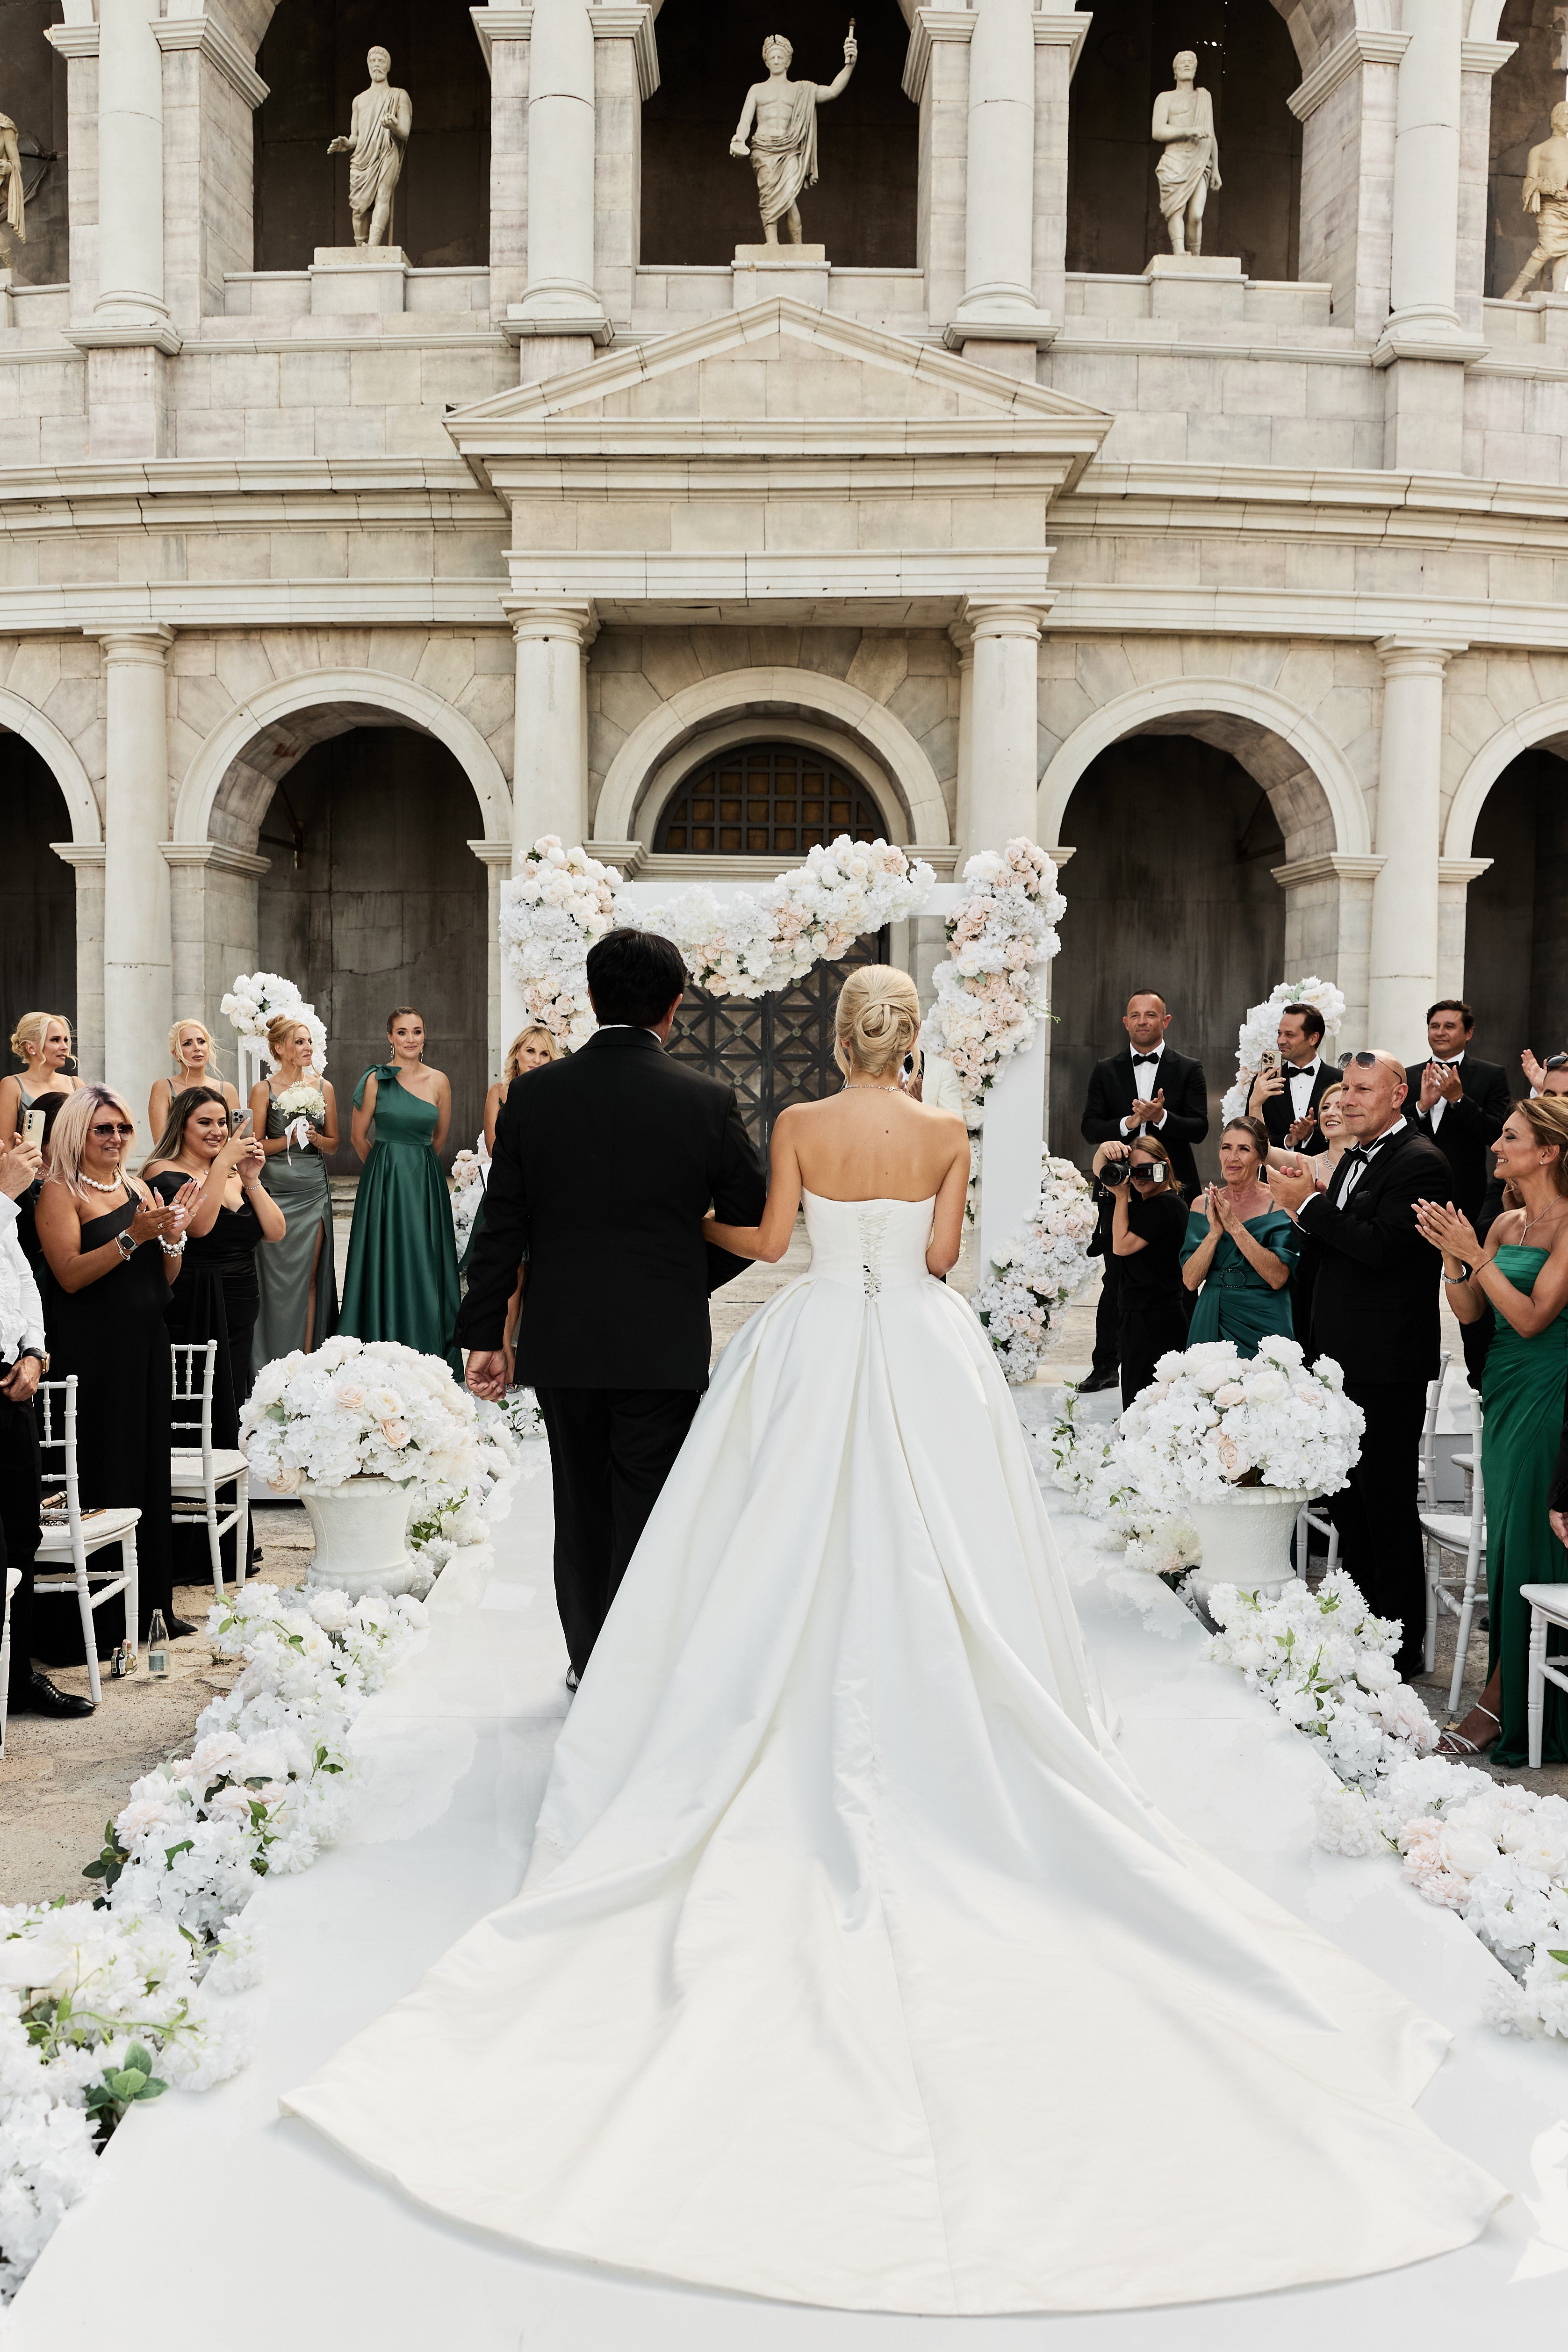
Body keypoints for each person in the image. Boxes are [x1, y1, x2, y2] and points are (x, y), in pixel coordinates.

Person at [285, 971, 1504, 2318]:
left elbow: (767, 1240)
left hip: (809, 1344)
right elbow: (935, 1264)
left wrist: (683, 1218)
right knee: (947, 1537)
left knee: (764, 1531)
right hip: (917, 1347)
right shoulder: (941, 1134)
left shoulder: (801, 1117)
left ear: (833, 1038)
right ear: (912, 1038)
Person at [459, 928, 766, 1684]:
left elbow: (501, 1223)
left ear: (593, 999)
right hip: (660, 1343)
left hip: (563, 1339)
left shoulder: (533, 1096)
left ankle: (587, 1665)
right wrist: (678, 1275)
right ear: (674, 1006)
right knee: (650, 1507)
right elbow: (753, 1215)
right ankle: (638, 1669)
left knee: (580, 1505)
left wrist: (484, 1335)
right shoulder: (705, 1099)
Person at [1266, 1052, 1448, 1679]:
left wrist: (1309, 1206)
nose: (1347, 1098)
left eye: (1363, 1088)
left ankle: (1400, 1643)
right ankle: (1364, 1618)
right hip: (1337, 1359)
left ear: (1399, 1093)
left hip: (1386, 1361)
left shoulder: (1420, 1161)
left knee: (1385, 1501)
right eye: (1343, 1086)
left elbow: (1383, 1250)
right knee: (1346, 1500)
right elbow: (1332, 1250)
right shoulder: (1349, 1157)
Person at [1416, 1099, 1568, 1764]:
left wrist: (1473, 1254)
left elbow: (1534, 1316)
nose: (1495, 1146)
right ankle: (1511, 1688)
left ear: (1548, 1151)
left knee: (1534, 1539)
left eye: (1510, 1137)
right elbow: (1472, 1309)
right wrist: (1454, 1259)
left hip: (1548, 1391)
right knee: (1507, 1540)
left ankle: (1500, 1703)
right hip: (1502, 1391)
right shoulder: (1506, 1222)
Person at [33, 1088, 193, 1657]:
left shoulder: (136, 1186)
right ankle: (94, 1625)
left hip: (147, 1345)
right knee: (108, 1468)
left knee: (149, 1470)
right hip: (95, 1353)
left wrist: (172, 1234)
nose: (116, 1138)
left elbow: (165, 1278)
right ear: (78, 1132)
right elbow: (71, 1276)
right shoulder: (59, 1192)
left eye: (123, 1128)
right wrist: (135, 1236)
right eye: (103, 1129)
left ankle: (150, 1606)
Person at [146, 1087, 284, 1577]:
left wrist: (249, 1179)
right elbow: (199, 1230)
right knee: (200, 1416)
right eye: (205, 1123)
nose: (218, 1131)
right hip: (196, 1306)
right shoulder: (164, 1176)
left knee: (233, 1414)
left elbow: (274, 1230)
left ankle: (230, 1538)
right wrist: (222, 1164)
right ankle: (191, 1545)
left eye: (223, 1123)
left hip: (241, 1308)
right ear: (181, 1125)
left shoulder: (229, 1175)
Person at [0, 1127, 93, 1720]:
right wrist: (5, 1197)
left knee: (22, 1536)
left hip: (14, 1384)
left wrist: (35, 1352)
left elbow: (20, 1280)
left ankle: (19, 1677)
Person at [1079, 991, 1208, 1392]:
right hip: (1122, 1187)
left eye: (1151, 1015)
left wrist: (1162, 1117)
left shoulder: (1188, 1068)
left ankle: (1182, 1361)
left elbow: (1200, 1128)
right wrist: (1127, 1123)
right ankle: (1106, 1365)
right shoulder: (1106, 1069)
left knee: (1181, 1275)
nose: (1143, 1021)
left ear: (1165, 1021)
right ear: (1125, 1022)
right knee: (1116, 1275)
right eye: (1135, 1015)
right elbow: (1090, 1127)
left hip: (1172, 1190)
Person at [340, 1006, 461, 1378]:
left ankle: (428, 1351)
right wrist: (384, 1167)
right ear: (389, 1037)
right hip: (385, 1182)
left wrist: (414, 1165)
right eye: (403, 1032)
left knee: (425, 1259)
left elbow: (439, 1138)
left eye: (418, 1031)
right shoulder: (376, 1080)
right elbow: (358, 1138)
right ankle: (380, 1346)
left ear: (425, 1036)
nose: (411, 1039)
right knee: (387, 1257)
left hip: (424, 1180)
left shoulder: (439, 1080)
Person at [1405, 1000, 1510, 1388]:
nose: (1440, 1032)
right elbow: (1395, 1131)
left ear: (1468, 1032)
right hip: (1413, 1202)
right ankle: (1415, 1366)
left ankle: (1478, 1377)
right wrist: (1420, 1105)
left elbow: (1497, 1134)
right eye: (1434, 1025)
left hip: (1467, 1203)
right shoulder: (1411, 1074)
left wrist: (1458, 1100)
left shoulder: (1490, 1075)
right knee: (1413, 1287)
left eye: (1450, 1026)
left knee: (1470, 1292)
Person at [250, 1016, 339, 1367]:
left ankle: (304, 1361)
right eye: (299, 1042)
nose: (307, 1048)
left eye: (309, 1042)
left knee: (311, 1277)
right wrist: (287, 1138)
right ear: (279, 1048)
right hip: (274, 1190)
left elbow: (334, 1145)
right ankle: (268, 1359)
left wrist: (315, 1138)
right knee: (273, 1279)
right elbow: (255, 1145)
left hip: (313, 1189)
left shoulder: (324, 1087)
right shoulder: (264, 1090)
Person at [1179, 1115, 1298, 1352]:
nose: (1232, 1158)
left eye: (1244, 1149)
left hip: (1265, 1315)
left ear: (1261, 1158)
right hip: (1213, 1312)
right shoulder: (1201, 1204)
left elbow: (1278, 1278)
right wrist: (1214, 1233)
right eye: (1226, 1148)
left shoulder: (1282, 1204)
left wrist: (1234, 1227)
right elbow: (1191, 1281)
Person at [1090, 1135, 1188, 1410]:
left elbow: (1120, 1246)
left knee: (1147, 1404)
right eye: (1132, 1171)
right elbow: (1102, 1171)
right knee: (1138, 1401)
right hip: (1139, 1313)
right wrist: (1104, 1150)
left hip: (1157, 1319)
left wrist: (1121, 1196)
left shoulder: (1166, 1205)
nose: (1139, 1177)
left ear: (1165, 1166)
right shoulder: (1149, 1200)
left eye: (1147, 1169)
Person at [1265, 1079, 1349, 1354]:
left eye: (1340, 1106)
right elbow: (1260, 1149)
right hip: (1309, 1271)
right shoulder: (1306, 1163)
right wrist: (1256, 1103)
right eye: (1325, 1107)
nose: (1331, 1112)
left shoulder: (1374, 1164)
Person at [1247, 1002, 1336, 1150]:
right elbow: (1251, 1134)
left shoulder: (1338, 1081)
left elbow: (1348, 1136)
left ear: (1313, 1039)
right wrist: (1288, 1140)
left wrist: (1311, 1135)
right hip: (1274, 1170)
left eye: (1290, 1035)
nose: (1281, 1041)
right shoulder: (1264, 1081)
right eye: (1279, 1033)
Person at [149, 1020, 240, 1142]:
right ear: (176, 1054)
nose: (197, 1048)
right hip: (176, 1161)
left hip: (221, 1158)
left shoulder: (227, 1089)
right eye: (187, 1044)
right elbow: (160, 1142)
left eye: (202, 1042)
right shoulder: (163, 1088)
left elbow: (238, 1139)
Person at [0, 1012, 81, 1143]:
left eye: (65, 1040)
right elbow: (5, 1147)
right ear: (31, 1047)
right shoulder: (12, 1085)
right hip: (32, 1162)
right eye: (55, 1040)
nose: (65, 1047)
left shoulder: (76, 1085)